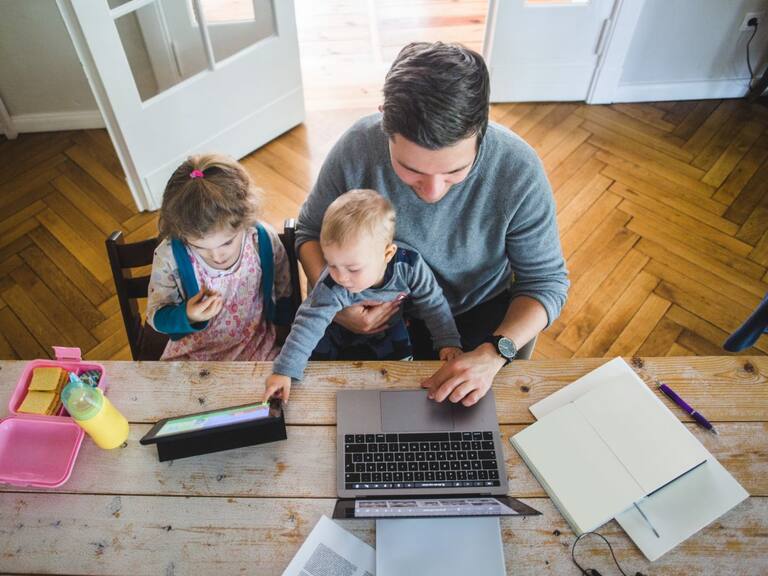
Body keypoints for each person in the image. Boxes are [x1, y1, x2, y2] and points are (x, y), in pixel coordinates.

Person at [294, 42, 569, 406]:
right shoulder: (357, 148)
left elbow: (546, 283)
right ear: (384, 123)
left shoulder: (517, 170)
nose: (433, 191)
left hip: (475, 319)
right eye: (411, 170)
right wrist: (336, 301)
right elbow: (309, 231)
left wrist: (495, 351)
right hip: (370, 309)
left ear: (481, 129)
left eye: (455, 171)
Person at [263, 189, 462, 403]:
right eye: (331, 264)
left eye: (353, 268)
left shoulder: (410, 266)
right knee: (315, 376)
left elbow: (432, 302)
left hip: (388, 328)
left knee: (403, 378)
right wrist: (285, 370)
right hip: (332, 330)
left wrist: (447, 341)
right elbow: (308, 323)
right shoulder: (331, 282)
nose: (340, 277)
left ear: (387, 254)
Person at [146, 154, 294, 361]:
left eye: (227, 242)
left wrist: (285, 330)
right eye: (199, 247)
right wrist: (187, 314)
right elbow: (156, 315)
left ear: (246, 221)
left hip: (257, 346)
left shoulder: (261, 240)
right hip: (192, 354)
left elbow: (284, 290)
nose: (217, 256)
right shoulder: (170, 255)